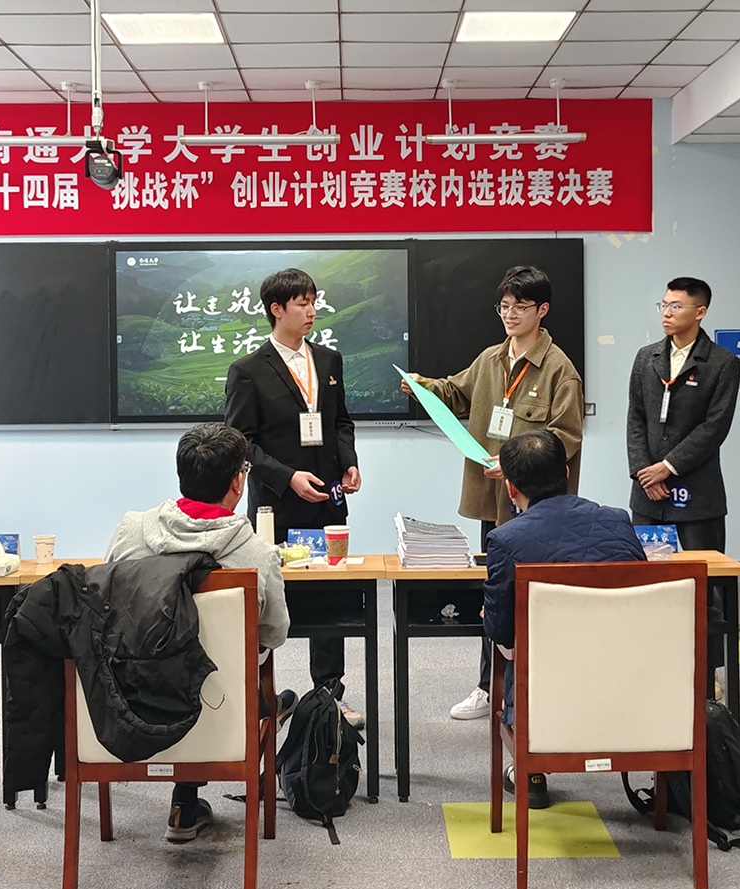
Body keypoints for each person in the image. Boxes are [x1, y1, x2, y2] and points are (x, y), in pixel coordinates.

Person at [399, 265, 584, 723]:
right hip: (494, 500)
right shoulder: (489, 359)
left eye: (520, 307)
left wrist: (516, 464)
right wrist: (424, 386)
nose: (510, 314)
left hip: (537, 507)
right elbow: (456, 393)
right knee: (496, 595)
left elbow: (565, 436)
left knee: (539, 597)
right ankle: (490, 686)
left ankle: (543, 686)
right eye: (504, 306)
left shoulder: (560, 369)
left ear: (542, 310)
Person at [105, 423, 294, 843]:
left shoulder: (131, 530)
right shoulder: (257, 554)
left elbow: (108, 605)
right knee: (227, 667)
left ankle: (185, 802)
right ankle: (192, 792)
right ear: (237, 482)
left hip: (130, 704)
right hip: (218, 710)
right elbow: (274, 633)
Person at [224, 267, 365, 729]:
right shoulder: (248, 370)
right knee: (265, 600)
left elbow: (341, 422)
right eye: (302, 303)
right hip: (276, 504)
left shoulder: (328, 360)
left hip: (327, 498)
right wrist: (287, 478)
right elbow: (241, 442)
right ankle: (262, 696)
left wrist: (348, 462)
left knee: (330, 598)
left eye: (313, 302)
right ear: (276, 309)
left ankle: (329, 696)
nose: (312, 311)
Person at [481, 430, 646, 809]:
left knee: (521, 649)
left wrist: (491, 612)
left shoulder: (506, 540)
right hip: (631, 695)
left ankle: (531, 771)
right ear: (567, 472)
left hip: (547, 705)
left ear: (510, 487)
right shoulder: (619, 521)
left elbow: (501, 633)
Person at [626, 277, 740, 680]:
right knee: (647, 582)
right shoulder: (646, 358)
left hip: (697, 496)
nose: (667, 313)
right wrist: (645, 472)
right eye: (664, 305)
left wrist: (669, 467)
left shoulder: (722, 363)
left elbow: (714, 427)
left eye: (676, 306)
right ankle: (652, 667)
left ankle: (706, 676)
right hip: (648, 495)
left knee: (701, 586)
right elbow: (636, 418)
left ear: (700, 312)